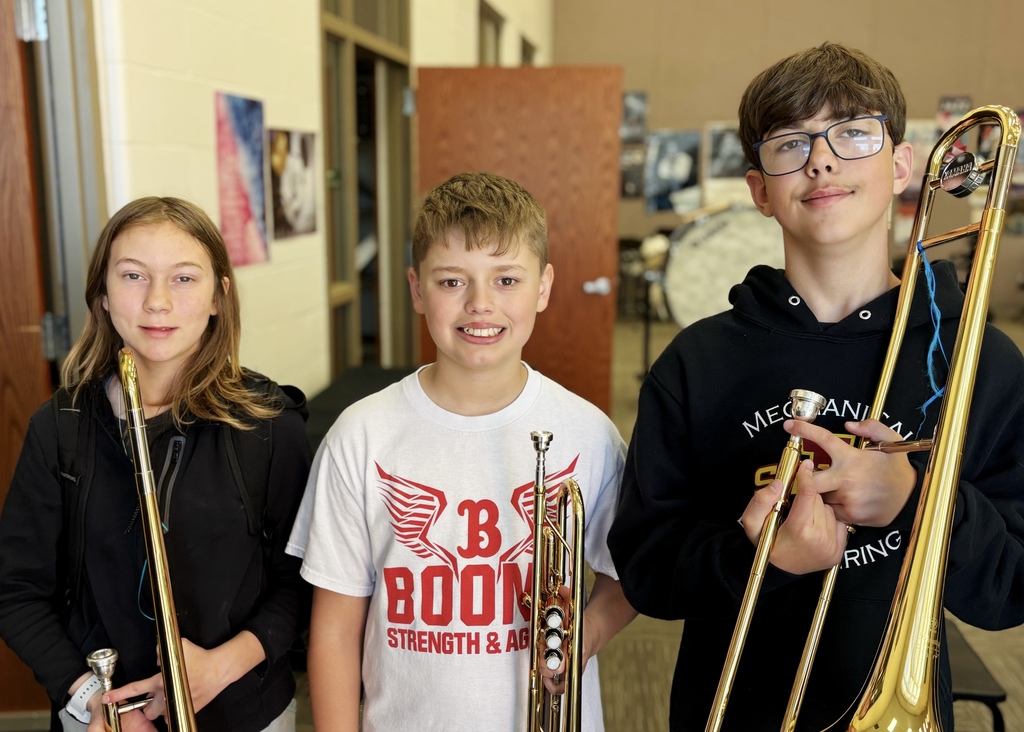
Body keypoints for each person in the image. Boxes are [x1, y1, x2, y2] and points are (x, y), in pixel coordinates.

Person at [608, 42, 1024, 731]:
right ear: (759, 192)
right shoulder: (697, 362)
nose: (821, 159)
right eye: (789, 142)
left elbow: (1011, 587)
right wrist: (759, 556)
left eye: (852, 133)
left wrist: (914, 500)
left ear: (900, 168)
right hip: (731, 707)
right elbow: (650, 571)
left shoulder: (981, 360)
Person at [286, 172, 636, 731]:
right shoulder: (361, 435)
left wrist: (585, 635)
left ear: (543, 288)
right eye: (452, 282)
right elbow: (334, 628)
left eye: (506, 280)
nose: (480, 305)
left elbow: (626, 575)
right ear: (416, 290)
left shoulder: (588, 433)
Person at [0, 197, 312, 732]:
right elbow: (17, 591)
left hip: (245, 711)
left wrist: (221, 667)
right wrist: (89, 698)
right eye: (133, 276)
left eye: (185, 278)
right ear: (101, 294)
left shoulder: (268, 423)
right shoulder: (60, 428)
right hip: (100, 714)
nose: (157, 302)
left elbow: (304, 582)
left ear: (219, 296)